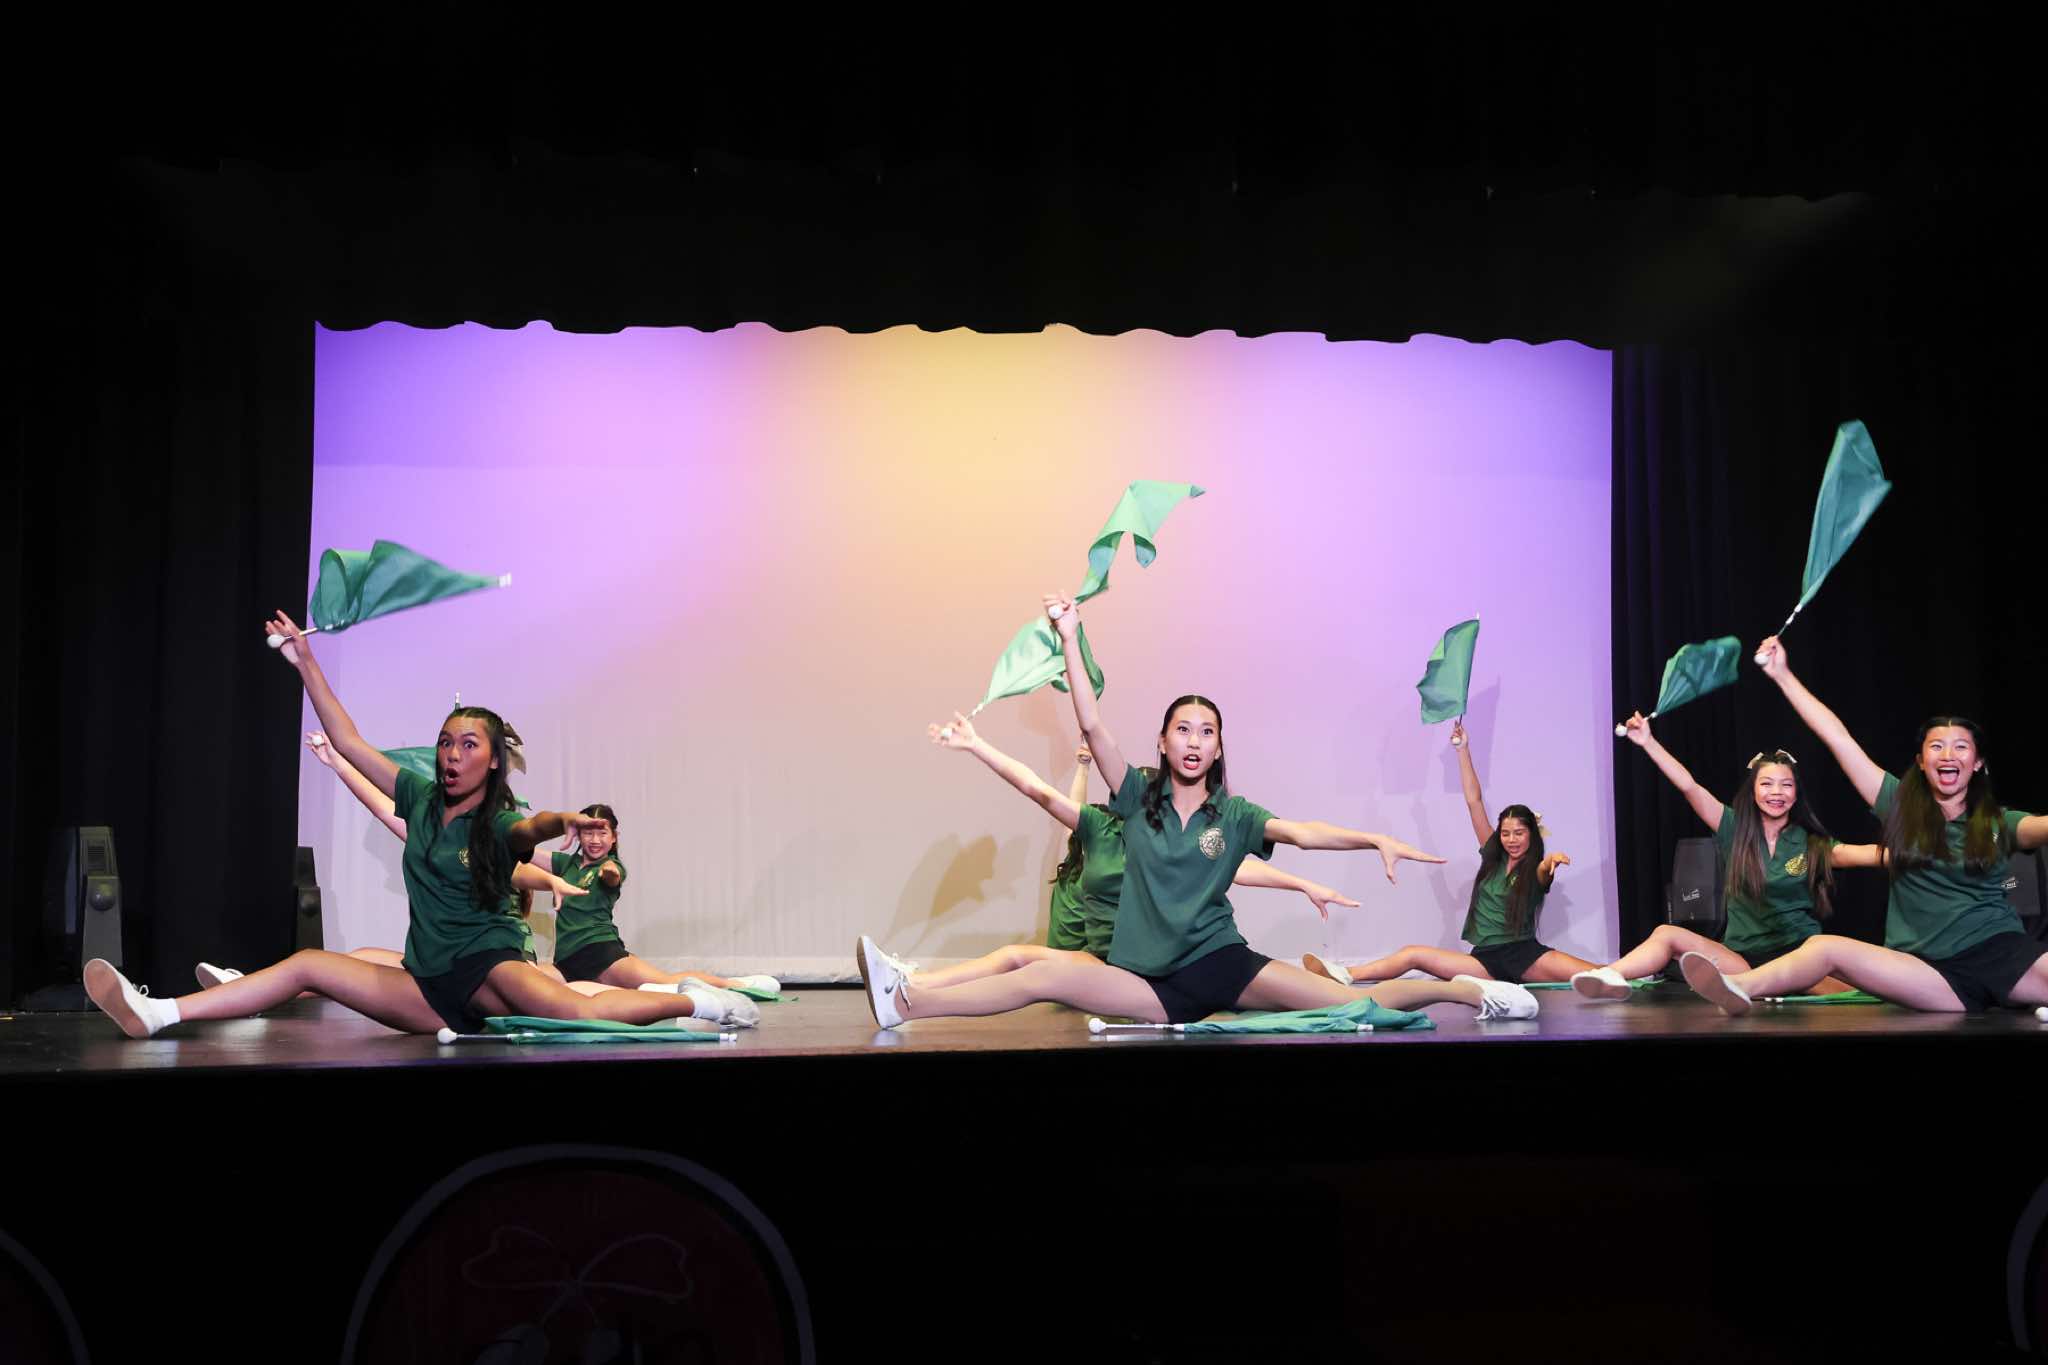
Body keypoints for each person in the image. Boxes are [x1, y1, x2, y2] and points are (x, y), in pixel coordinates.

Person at [853, 596, 1539, 1028]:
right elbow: (1093, 728)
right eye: (1182, 729)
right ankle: (907, 1000)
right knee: (1042, 973)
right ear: (1162, 741)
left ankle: (1464, 992)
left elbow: (1302, 832)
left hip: (1218, 962)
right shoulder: (1134, 799)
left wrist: (1373, 839)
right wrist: (1070, 636)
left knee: (1350, 1005)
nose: (1193, 740)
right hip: (1148, 978)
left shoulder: (1232, 815)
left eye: (1206, 732)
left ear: (1217, 747)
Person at [82, 610, 757, 1039]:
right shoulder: (420, 797)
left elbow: (533, 830)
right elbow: (351, 743)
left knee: (578, 1010)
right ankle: (159, 1012)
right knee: (310, 964)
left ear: (493, 761)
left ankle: (694, 1003)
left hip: (490, 968)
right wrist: (305, 662)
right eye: (445, 742)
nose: (452, 754)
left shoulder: (499, 822)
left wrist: (563, 821)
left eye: (468, 745)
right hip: (429, 984)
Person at [1681, 636, 2048, 1015]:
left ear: (1977, 763)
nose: (1948, 754)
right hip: (1925, 968)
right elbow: (1838, 739)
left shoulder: (2001, 823)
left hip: (1998, 951)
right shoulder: (1897, 804)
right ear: (1921, 762)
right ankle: (1736, 987)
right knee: (1823, 948)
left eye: (1961, 747)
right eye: (1937, 746)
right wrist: (1782, 675)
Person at [908, 715, 1360, 991]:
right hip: (1102, 958)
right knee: (1015, 956)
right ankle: (913, 981)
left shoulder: (1169, 841)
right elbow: (1037, 789)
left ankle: (1331, 980)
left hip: (1146, 966)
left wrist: (1303, 885)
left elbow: (1239, 870)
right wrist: (977, 746)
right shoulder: (1099, 826)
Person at [1571, 717, 1880, 1000]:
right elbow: (1689, 786)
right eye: (1766, 784)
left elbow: (1863, 853)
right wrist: (1648, 742)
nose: (1777, 792)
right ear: (1753, 791)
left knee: (1860, 998)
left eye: (1786, 785)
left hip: (1797, 959)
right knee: (1666, 934)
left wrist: (1902, 853)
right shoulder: (1733, 827)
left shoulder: (1811, 844)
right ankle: (1609, 975)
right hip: (1742, 960)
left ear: (1796, 794)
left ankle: (1773, 987)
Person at [1302, 720, 1590, 986]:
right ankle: (1344, 974)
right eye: (1506, 833)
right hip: (1485, 959)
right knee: (1413, 954)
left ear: (1531, 835)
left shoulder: (1536, 869)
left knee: (1600, 974)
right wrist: (1462, 750)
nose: (1511, 839)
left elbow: (1543, 870)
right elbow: (1474, 801)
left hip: (1525, 956)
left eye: (1519, 833)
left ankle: (1622, 973)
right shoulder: (1493, 857)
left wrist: (1552, 860)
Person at [548, 805, 781, 997]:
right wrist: (560, 821)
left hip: (599, 952)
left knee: (666, 983)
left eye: (602, 833)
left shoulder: (612, 866)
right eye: (588, 833)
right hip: (566, 960)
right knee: (536, 982)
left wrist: (609, 871)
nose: (595, 840)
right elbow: (525, 852)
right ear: (577, 834)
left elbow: (612, 876)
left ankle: (737, 985)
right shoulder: (565, 864)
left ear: (614, 838)